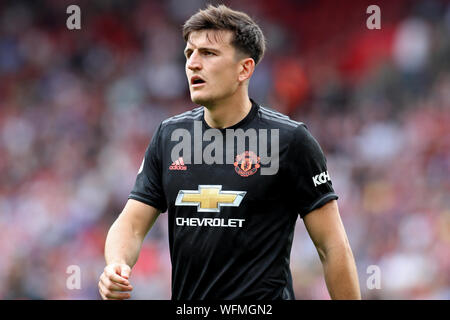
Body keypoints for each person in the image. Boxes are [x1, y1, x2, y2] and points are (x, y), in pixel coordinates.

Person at [98, 4, 361, 300]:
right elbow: (131, 224)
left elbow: (332, 247)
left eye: (208, 53)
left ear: (244, 69)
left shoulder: (290, 140)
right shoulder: (169, 137)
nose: (193, 64)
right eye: (189, 53)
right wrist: (116, 264)